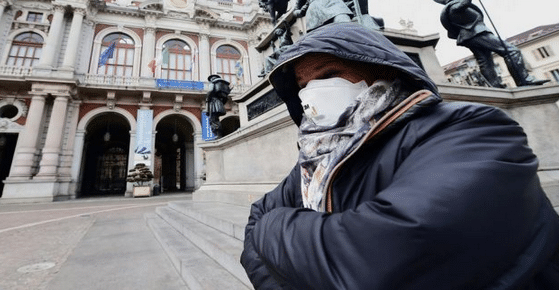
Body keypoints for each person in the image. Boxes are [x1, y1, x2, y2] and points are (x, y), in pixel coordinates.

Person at [240, 22, 559, 289]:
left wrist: (272, 226)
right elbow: (256, 218)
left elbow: (372, 264)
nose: (312, 92)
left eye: (327, 75)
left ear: (381, 70)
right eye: (303, 85)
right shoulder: (317, 157)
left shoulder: (474, 129)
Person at [433, 0, 548, 88]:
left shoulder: (451, 11)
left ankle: (496, 87)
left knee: (485, 61)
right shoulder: (453, 8)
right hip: (476, 34)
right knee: (511, 51)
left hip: (470, 36)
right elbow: (464, 2)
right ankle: (524, 80)